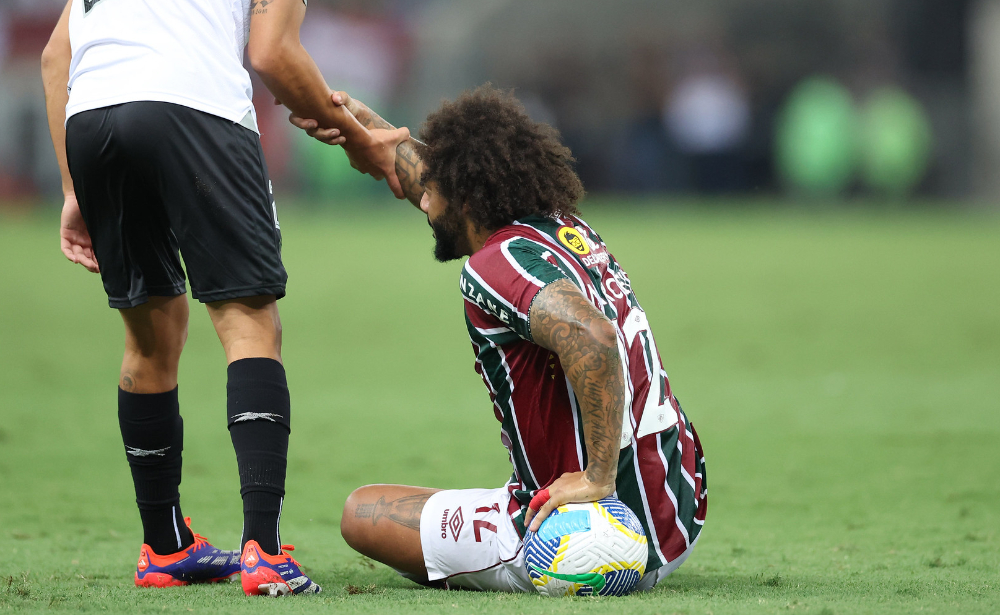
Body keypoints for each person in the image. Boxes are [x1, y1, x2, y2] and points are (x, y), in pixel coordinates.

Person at [40, 0, 409, 597]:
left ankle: (164, 549)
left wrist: (71, 187)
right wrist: (359, 141)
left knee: (151, 334)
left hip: (92, 119)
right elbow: (272, 53)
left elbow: (57, 54)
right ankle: (263, 551)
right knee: (248, 321)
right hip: (195, 107)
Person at [292, 86, 708, 592]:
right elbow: (439, 174)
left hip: (597, 534)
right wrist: (363, 125)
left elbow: (592, 335)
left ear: (467, 198)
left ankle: (561, 516)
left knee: (364, 512)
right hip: (676, 510)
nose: (420, 196)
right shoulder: (564, 229)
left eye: (432, 189)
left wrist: (597, 477)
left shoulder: (492, 266)